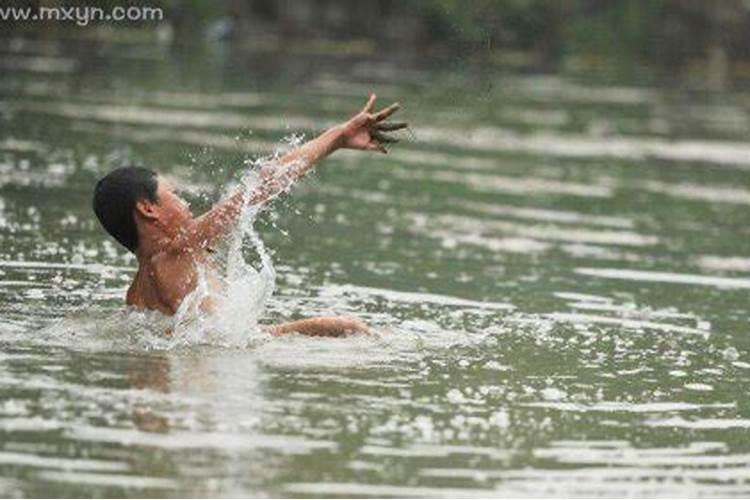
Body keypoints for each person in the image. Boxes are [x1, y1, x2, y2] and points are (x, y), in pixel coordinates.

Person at [92, 94, 406, 337]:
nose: (186, 204)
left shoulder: (135, 293)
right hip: (229, 356)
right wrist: (336, 137)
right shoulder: (177, 253)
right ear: (148, 209)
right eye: (175, 195)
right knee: (345, 327)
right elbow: (263, 187)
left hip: (209, 358)